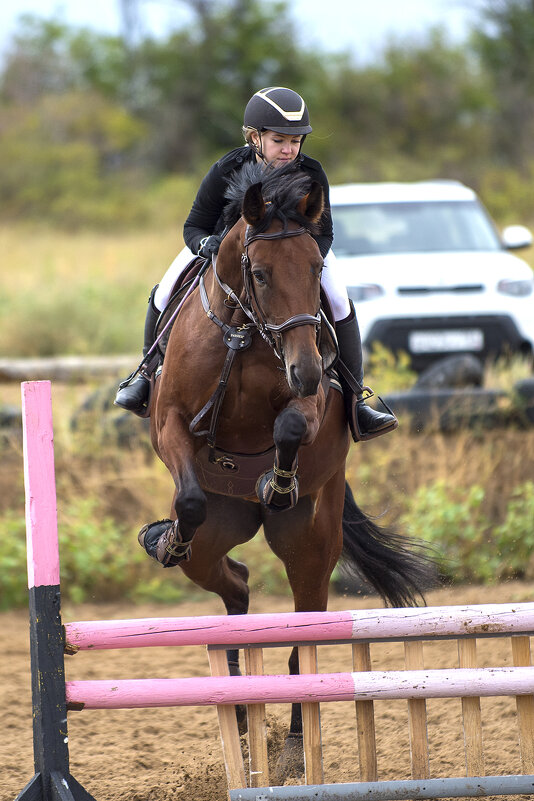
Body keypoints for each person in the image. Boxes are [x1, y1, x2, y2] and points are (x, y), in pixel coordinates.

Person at [114, 86, 396, 440]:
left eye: (295, 141)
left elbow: (325, 233)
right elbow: (194, 225)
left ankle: (356, 399)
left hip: (295, 254)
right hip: (223, 250)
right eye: (279, 140)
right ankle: (145, 373)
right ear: (254, 137)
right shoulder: (228, 168)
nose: (289, 149)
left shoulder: (311, 172)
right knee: (165, 288)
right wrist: (205, 245)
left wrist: (300, 262)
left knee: (339, 298)